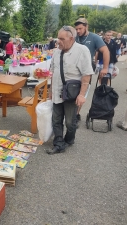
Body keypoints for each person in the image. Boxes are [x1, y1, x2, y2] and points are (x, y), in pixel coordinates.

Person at [46, 26, 93, 155]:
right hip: (57, 92)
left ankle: (69, 139)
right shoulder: (57, 51)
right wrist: (51, 90)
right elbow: (54, 72)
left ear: (71, 38)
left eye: (62, 39)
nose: (58, 41)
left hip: (71, 93)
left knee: (70, 122)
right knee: (56, 120)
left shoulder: (82, 51)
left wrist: (82, 95)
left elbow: (87, 74)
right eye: (58, 38)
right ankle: (59, 143)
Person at [74, 18, 109, 124]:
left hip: (86, 71)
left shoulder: (94, 37)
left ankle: (76, 114)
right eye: (77, 29)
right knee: (71, 90)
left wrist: (105, 68)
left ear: (86, 26)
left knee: (82, 92)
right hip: (74, 69)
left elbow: (105, 51)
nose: (78, 31)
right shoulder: (75, 36)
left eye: (80, 28)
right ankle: (70, 112)